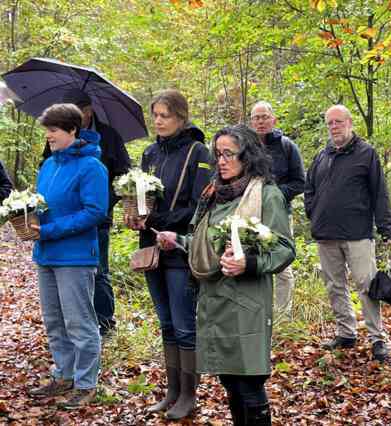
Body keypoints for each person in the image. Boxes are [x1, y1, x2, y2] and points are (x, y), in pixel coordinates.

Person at [157, 124, 295, 425]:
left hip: (247, 302)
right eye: (218, 154)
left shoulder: (266, 195)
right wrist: (178, 240)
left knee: (249, 383)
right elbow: (205, 245)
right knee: (230, 383)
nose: (221, 160)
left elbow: (285, 249)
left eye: (229, 153)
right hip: (213, 302)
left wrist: (249, 263)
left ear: (248, 156)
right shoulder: (213, 195)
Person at [125, 89, 211, 420]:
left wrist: (160, 221)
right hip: (150, 247)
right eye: (156, 115)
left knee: (184, 324)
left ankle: (190, 394)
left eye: (166, 115)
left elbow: (199, 207)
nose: (159, 121)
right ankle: (172, 392)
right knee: (166, 323)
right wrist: (135, 215)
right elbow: (143, 199)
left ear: (181, 117)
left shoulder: (197, 152)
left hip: (178, 249)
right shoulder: (149, 154)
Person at [29, 103, 108, 408]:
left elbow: (94, 212)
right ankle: (64, 374)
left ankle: (86, 383)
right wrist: (26, 216)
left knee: (79, 321)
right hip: (46, 254)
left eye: (54, 130)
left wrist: (49, 230)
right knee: (53, 320)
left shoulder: (91, 167)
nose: (48, 135)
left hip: (75, 256)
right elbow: (43, 205)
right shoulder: (48, 165)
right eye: (47, 130)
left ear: (72, 130)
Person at [304, 104, 391, 362]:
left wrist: (386, 227)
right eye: (330, 123)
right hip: (325, 233)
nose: (334, 127)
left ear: (349, 123)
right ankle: (346, 332)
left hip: (357, 234)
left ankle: (378, 339)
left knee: (366, 285)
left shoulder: (366, 154)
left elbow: (380, 192)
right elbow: (309, 188)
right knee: (335, 286)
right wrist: (314, 211)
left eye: (338, 122)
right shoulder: (322, 156)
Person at [42, 88, 132, 338]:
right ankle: (72, 330)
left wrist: (105, 200)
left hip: (98, 216)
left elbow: (125, 174)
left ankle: (104, 322)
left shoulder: (109, 137)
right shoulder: (58, 136)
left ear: (87, 111)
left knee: (99, 271)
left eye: (75, 111)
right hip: (62, 217)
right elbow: (48, 166)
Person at [250, 101, 305, 315]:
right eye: (256, 117)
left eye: (264, 117)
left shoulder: (287, 146)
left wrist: (274, 196)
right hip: (250, 215)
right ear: (251, 121)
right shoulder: (245, 146)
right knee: (254, 261)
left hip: (280, 214)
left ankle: (283, 315)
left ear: (274, 119)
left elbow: (300, 181)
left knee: (282, 265)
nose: (261, 121)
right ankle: (258, 312)